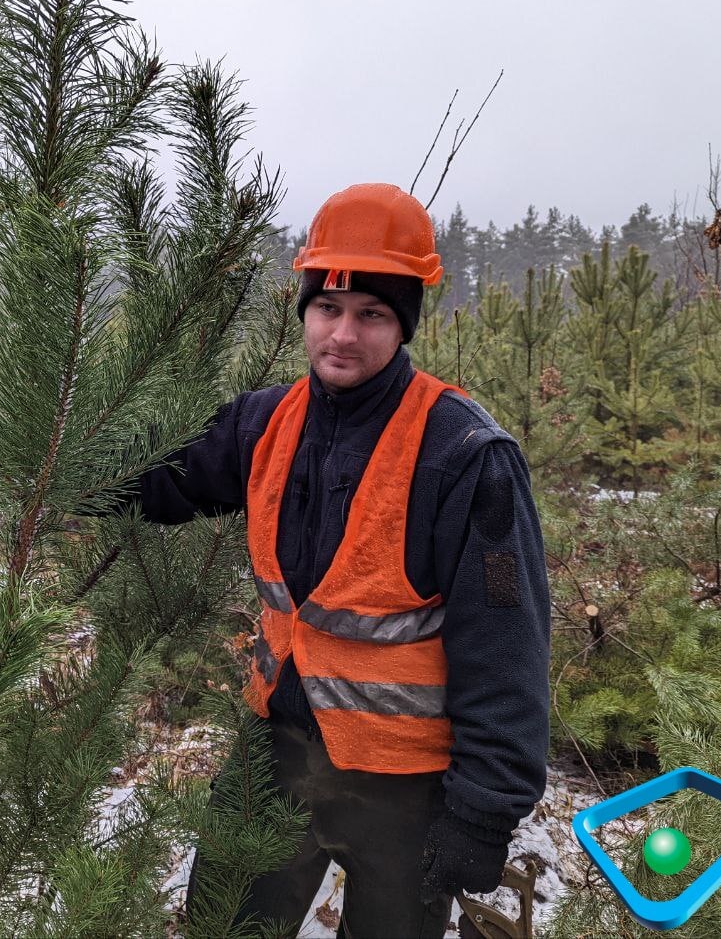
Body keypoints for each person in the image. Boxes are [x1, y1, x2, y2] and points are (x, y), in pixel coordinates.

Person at [132, 184, 551, 938]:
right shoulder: (264, 422)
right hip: (276, 745)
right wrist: (6, 458)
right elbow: (159, 476)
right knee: (222, 925)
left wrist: (484, 814)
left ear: (404, 323)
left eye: (372, 314)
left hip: (405, 783)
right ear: (305, 311)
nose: (343, 335)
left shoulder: (463, 454)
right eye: (328, 309)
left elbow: (507, 644)